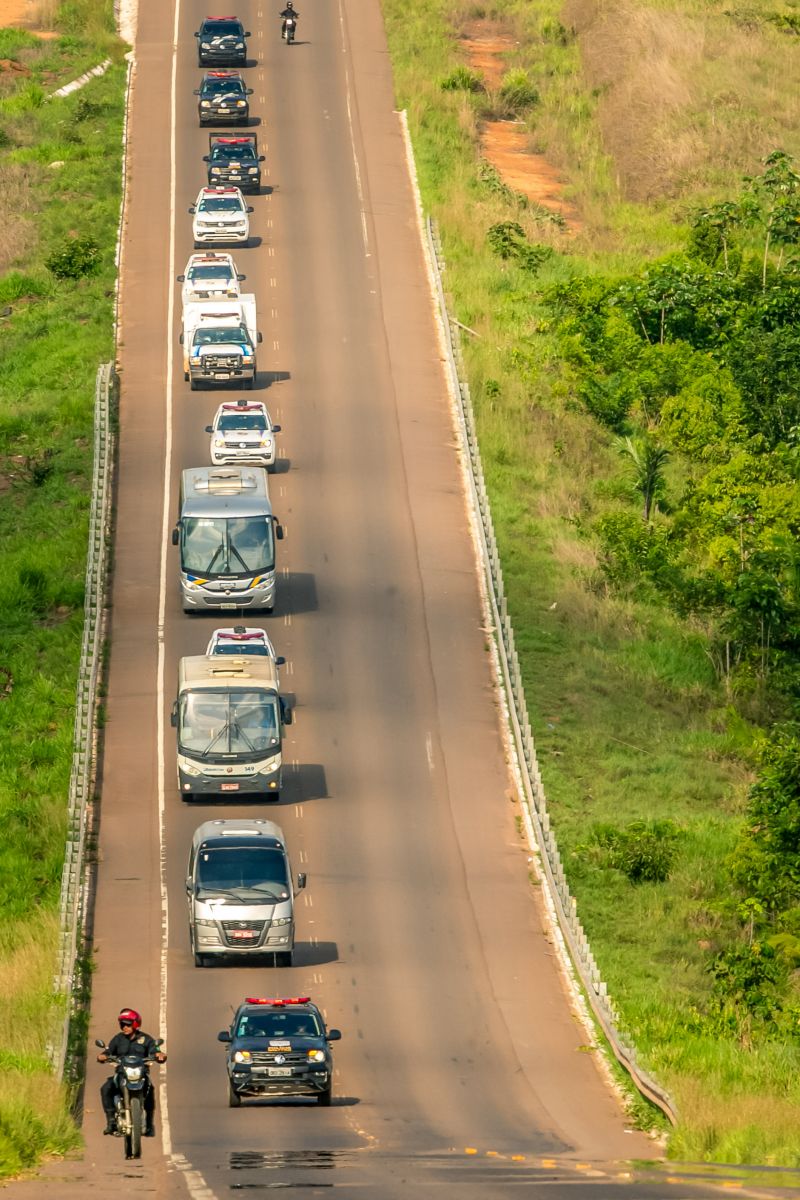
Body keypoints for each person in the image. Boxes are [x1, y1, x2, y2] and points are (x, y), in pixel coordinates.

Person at [98, 1008, 167, 1138]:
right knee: (105, 1088)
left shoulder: (146, 1039)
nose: (125, 1027)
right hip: (122, 1074)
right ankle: (111, 1122)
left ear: (135, 1024)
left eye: (128, 1024)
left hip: (140, 1075)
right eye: (122, 1024)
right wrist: (103, 1055)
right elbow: (108, 1051)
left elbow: (155, 1050)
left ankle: (149, 1124)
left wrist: (159, 1055)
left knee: (150, 1089)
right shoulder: (118, 1039)